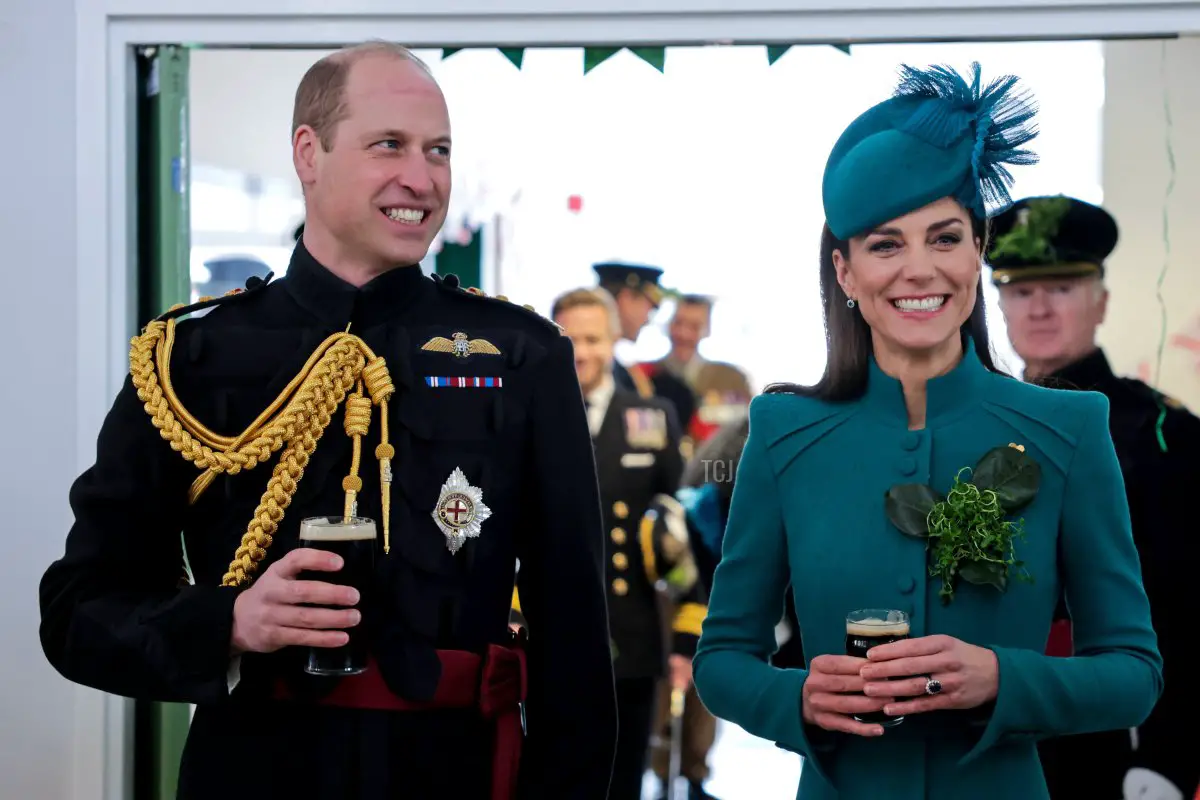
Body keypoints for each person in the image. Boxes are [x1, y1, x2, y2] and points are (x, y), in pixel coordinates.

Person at [39, 42, 617, 800]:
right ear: (308, 153)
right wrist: (231, 622)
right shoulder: (193, 356)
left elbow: (574, 637)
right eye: (390, 146)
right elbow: (79, 610)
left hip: (455, 774)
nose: (423, 177)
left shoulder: (521, 354)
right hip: (255, 771)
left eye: (438, 150)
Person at [692, 62, 1163, 800]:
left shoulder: (1071, 427)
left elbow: (1134, 674)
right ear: (845, 273)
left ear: (977, 251)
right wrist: (796, 701)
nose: (920, 270)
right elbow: (721, 658)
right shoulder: (783, 434)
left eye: (944, 238)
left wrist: (1005, 677)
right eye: (885, 245)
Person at [990, 194, 1200, 800]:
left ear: (1100, 300)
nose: (1040, 308)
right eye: (1021, 290)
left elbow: (1190, 613)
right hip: (994, 736)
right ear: (999, 302)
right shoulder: (974, 427)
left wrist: (1170, 756)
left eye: (1061, 287)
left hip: (1116, 740)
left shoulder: (1164, 435)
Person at [546, 287, 706, 800]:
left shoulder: (652, 418)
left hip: (631, 635)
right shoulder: (533, 414)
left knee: (623, 777)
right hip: (549, 633)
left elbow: (681, 531)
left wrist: (687, 635)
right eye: (569, 339)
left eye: (593, 338)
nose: (582, 352)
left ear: (614, 339)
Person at [594, 261, 698, 433]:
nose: (648, 319)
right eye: (648, 308)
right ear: (627, 299)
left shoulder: (624, 371)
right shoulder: (604, 367)